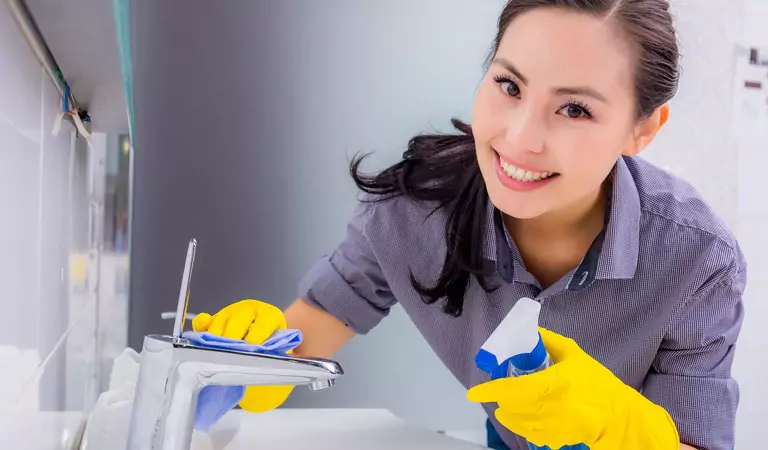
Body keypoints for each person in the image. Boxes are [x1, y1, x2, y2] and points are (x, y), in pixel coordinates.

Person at [192, 1, 746, 449]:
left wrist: (620, 426)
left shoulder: (698, 261)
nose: (520, 138)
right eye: (509, 86)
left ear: (642, 131)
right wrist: (254, 355)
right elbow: (315, 324)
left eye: (574, 109)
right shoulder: (411, 209)